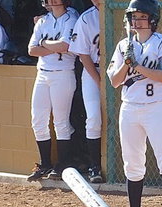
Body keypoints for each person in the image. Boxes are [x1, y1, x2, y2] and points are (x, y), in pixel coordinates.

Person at [106, 0, 162, 207]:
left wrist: (138, 66)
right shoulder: (124, 45)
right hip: (130, 107)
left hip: (157, 107)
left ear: (153, 19)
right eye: (133, 17)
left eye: (142, 16)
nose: (136, 21)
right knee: (132, 162)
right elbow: (114, 81)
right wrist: (127, 63)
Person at [25, 0, 78, 182]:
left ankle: (63, 164)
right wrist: (51, 47)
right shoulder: (42, 21)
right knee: (38, 120)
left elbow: (65, 46)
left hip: (63, 73)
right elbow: (31, 50)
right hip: (42, 74)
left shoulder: (71, 17)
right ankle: (45, 163)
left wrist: (43, 43)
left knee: (61, 121)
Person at [69, 0, 105, 184]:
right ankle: (94, 166)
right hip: (93, 71)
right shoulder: (86, 19)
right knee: (93, 119)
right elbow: (83, 55)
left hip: (120, 71)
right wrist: (99, 82)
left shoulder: (125, 12)